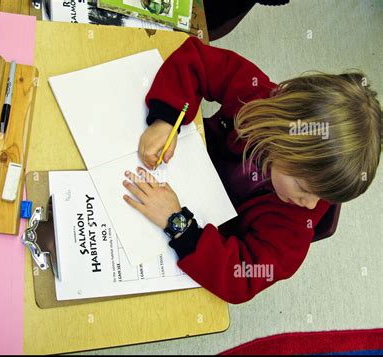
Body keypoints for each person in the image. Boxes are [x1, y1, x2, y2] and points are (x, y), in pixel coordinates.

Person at [122, 37, 382, 304]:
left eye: (323, 196)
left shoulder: (295, 227)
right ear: (283, 133)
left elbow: (242, 277)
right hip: (178, 163)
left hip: (197, 233)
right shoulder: (258, 98)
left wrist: (178, 224)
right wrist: (168, 118)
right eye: (305, 189)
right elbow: (197, 61)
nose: (310, 204)